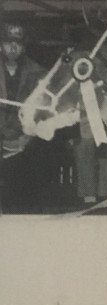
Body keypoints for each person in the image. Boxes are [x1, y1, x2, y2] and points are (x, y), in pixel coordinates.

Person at [0, 22, 47, 213]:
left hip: (24, 142)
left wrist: (27, 138)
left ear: (24, 47)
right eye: (7, 42)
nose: (12, 47)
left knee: (23, 199)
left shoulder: (39, 73)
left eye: (17, 43)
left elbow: (44, 113)